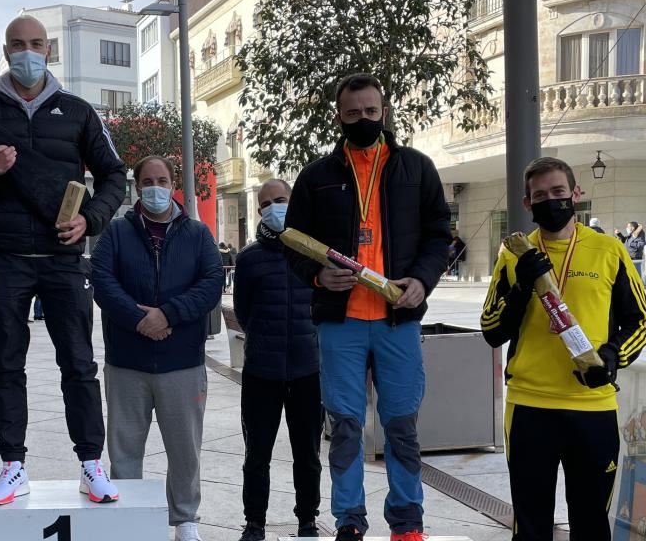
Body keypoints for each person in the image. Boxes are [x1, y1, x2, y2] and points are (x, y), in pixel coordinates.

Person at [0, 15, 126, 505]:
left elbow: (114, 176)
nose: (28, 51)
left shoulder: (79, 111)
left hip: (65, 259)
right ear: (6, 51)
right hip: (4, 258)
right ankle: (12, 466)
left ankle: (91, 464)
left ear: (50, 50)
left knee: (80, 364)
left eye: (36, 43)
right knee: (6, 364)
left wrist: (91, 219)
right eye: (18, 44)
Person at [284, 73, 451, 541]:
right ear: (339, 115)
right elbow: (293, 245)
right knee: (345, 427)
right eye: (353, 113)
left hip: (397, 319)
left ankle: (407, 523)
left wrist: (422, 280)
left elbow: (440, 234)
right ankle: (349, 521)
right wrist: (318, 275)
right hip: (342, 322)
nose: (363, 119)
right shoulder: (316, 177)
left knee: (401, 426)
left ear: (385, 112)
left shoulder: (416, 168)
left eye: (371, 111)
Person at [480, 157, 646, 541]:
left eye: (558, 192)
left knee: (590, 523)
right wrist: (522, 288)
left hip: (593, 406)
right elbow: (491, 329)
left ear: (576, 194)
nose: (551, 201)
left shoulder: (609, 250)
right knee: (531, 524)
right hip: (529, 405)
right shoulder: (513, 254)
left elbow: (640, 319)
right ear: (527, 204)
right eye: (540, 195)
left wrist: (613, 355)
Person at [91, 156, 223, 541]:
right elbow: (102, 281)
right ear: (136, 186)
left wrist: (167, 314)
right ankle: (129, 518)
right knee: (125, 448)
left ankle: (185, 519)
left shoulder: (198, 234)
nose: (155, 187)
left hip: (182, 363)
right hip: (127, 362)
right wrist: (139, 319)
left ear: (173, 184)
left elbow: (211, 283)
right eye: (147, 180)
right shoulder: (116, 233)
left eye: (162, 179)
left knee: (185, 450)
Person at [232, 179, 322, 541]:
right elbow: (243, 311)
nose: (274, 207)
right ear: (259, 211)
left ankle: (308, 521)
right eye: (267, 203)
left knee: (308, 454)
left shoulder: (314, 253)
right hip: (261, 373)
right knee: (257, 454)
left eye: (281, 200)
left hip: (307, 370)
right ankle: (255, 523)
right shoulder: (248, 259)